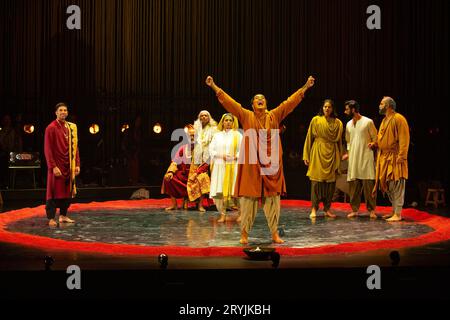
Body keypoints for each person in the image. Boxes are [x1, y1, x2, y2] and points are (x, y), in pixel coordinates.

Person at [206, 75, 315, 244]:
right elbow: (230, 102)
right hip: (252, 166)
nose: (260, 100)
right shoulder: (246, 116)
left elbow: (290, 103)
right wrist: (214, 86)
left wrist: (305, 87)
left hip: (271, 166)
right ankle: (244, 234)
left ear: (266, 103)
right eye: (257, 99)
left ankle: (274, 234)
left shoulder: (274, 116)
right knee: (248, 201)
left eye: (262, 98)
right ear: (252, 104)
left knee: (273, 201)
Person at [371, 97, 410, 222]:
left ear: (388, 106)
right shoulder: (384, 120)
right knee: (389, 185)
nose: (379, 105)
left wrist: (402, 156)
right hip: (384, 157)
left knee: (397, 184)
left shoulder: (399, 119)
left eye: (381, 103)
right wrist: (375, 143)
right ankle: (394, 211)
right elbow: (381, 137)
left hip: (395, 157)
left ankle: (398, 214)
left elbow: (404, 138)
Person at [303, 99, 343, 219]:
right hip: (317, 152)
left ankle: (327, 209)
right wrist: (306, 155)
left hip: (332, 153)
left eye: (329, 107)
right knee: (316, 183)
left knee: (330, 185)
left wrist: (340, 157)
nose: (327, 109)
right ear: (322, 108)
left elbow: (340, 142)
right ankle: (314, 208)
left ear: (332, 109)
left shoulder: (338, 123)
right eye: (325, 107)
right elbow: (309, 137)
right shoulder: (316, 120)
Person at [44, 103, 80, 227]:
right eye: (60, 110)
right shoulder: (51, 127)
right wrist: (53, 166)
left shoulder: (70, 128)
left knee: (67, 191)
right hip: (56, 166)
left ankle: (63, 216)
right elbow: (47, 149)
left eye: (65, 110)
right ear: (56, 112)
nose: (63, 112)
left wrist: (77, 164)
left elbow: (75, 148)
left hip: (68, 165)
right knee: (53, 192)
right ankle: (51, 218)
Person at [342, 100, 378, 219]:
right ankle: (354, 209)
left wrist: (373, 143)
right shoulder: (348, 124)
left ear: (353, 110)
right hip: (353, 158)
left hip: (366, 157)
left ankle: (371, 210)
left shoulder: (368, 122)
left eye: (347, 109)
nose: (345, 111)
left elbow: (376, 138)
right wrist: (348, 153)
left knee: (368, 185)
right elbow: (348, 141)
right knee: (354, 186)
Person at [209, 113, 243, 223]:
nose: (228, 122)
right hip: (220, 166)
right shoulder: (217, 136)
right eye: (226, 120)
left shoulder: (238, 135)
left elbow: (242, 150)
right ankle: (222, 215)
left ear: (233, 123)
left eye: (230, 120)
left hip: (234, 165)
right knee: (220, 192)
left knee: (235, 191)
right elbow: (211, 150)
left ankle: (241, 213)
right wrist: (221, 156)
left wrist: (235, 156)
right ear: (222, 122)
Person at [187, 110, 217, 212]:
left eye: (206, 115)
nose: (204, 117)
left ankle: (202, 204)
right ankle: (196, 204)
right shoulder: (195, 129)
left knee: (203, 179)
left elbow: (215, 144)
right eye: (202, 116)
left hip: (208, 158)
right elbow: (191, 144)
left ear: (209, 118)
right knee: (194, 181)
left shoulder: (214, 129)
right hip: (196, 157)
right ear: (199, 117)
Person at [162, 125, 195, 210]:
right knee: (168, 178)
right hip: (183, 174)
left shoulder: (199, 149)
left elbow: (203, 164)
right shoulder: (182, 148)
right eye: (189, 135)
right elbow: (175, 161)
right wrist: (170, 172)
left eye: (193, 135)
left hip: (194, 174)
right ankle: (174, 204)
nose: (191, 137)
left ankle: (186, 200)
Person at [0, 114, 23, 188]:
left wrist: (18, 152)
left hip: (12, 154)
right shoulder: (1, 132)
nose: (6, 121)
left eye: (8, 119)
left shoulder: (14, 131)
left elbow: (17, 142)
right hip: (3, 154)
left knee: (11, 171)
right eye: (5, 119)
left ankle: (11, 184)